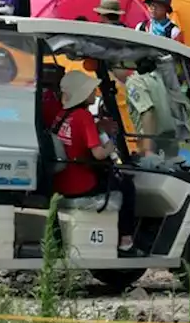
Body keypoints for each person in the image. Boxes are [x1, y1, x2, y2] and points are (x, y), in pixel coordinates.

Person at [54, 70, 142, 257]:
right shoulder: (84, 116)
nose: (95, 92)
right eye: (92, 90)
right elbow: (99, 154)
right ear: (83, 94)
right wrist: (110, 143)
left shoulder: (62, 115)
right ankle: (126, 240)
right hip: (82, 184)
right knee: (126, 185)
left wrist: (98, 127)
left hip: (63, 182)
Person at [118, 57, 179, 157]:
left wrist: (147, 149)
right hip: (170, 138)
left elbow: (147, 112)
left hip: (154, 143)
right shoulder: (155, 77)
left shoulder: (134, 82)